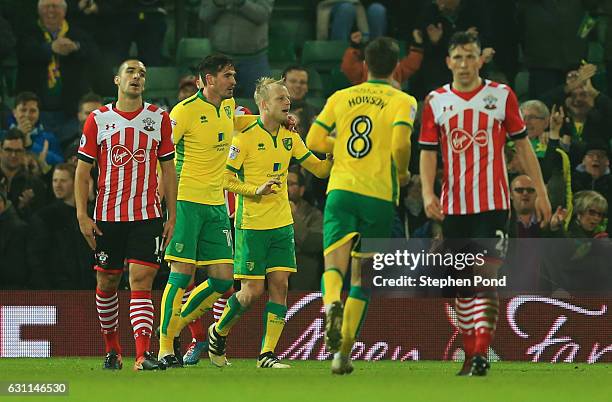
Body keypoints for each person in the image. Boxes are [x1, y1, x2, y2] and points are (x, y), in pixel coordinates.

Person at [418, 31, 551, 376]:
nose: (464, 64)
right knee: (460, 283)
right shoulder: (436, 101)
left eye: (470, 56)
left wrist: (542, 192)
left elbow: (523, 147)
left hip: (492, 203)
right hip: (454, 207)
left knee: (485, 275)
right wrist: (428, 194)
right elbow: (428, 153)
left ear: (481, 59)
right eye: (458, 58)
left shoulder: (500, 95)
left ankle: (480, 352)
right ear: (448, 62)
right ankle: (469, 350)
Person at [306, 36, 417, 374]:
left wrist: (339, 145)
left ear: (365, 66)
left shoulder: (341, 97)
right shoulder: (403, 100)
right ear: (397, 66)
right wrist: (402, 171)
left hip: (340, 191)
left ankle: (331, 305)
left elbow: (312, 140)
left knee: (333, 268)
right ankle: (343, 354)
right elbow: (400, 142)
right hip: (379, 196)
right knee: (363, 278)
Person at [206, 77, 332, 369]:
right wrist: (255, 190)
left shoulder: (289, 136)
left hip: (281, 224)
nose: (287, 102)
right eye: (280, 98)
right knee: (252, 292)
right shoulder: (245, 136)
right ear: (263, 105)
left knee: (280, 287)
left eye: (287, 97)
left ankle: (267, 354)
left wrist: (336, 155)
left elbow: (318, 168)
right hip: (251, 224)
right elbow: (225, 179)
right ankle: (218, 331)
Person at [75, 59, 177, 371]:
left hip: (146, 215)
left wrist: (171, 215)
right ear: (117, 79)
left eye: (142, 73)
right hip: (107, 215)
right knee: (107, 282)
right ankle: (113, 350)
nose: (136, 77)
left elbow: (169, 170)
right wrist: (82, 215)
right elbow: (82, 172)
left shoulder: (159, 118)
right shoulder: (98, 119)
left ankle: (144, 355)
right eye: (131, 72)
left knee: (141, 281)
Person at [156, 54, 241, 368]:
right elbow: (161, 155)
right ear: (207, 80)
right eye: (227, 75)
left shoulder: (230, 106)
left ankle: (174, 327)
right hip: (187, 202)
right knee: (181, 273)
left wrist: (281, 120)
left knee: (223, 279)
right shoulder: (184, 112)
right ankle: (166, 347)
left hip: (217, 203)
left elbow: (243, 122)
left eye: (233, 75)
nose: (233, 81)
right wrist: (163, 199)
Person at [16, 0, 94, 131]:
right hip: (36, 109)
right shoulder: (27, 31)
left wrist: (76, 47)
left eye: (55, 6)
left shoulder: (78, 33)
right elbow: (24, 52)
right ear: (39, 11)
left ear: (64, 11)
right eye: (46, 7)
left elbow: (93, 53)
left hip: (70, 109)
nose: (51, 10)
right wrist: (50, 48)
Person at [30, 163, 94, 289]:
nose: (57, 185)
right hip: (57, 290)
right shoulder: (45, 217)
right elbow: (37, 260)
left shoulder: (90, 215)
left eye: (63, 181)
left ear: (75, 182)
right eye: (55, 181)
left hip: (88, 288)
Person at [199, 0, 273, 98]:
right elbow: (204, 15)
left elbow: (263, 15)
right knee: (212, 100)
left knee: (263, 99)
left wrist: (242, 3)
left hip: (254, 59)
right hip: (220, 58)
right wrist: (217, 4)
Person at [4, 92, 64, 169]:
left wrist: (31, 146)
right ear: (14, 112)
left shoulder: (49, 138)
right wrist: (18, 135)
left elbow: (60, 163)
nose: (27, 115)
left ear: (39, 113)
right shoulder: (3, 135)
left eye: (32, 111)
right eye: (23, 110)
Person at [287, 166, 324, 290]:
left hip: (302, 275)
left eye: (291, 184)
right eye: (283, 184)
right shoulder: (269, 211)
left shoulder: (314, 215)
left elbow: (312, 244)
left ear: (302, 190)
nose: (286, 188)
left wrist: (293, 217)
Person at [0, 129, 48, 221]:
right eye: (8, 150)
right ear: (0, 150)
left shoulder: (35, 184)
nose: (13, 155)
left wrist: (26, 208)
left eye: (18, 151)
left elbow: (40, 221)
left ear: (24, 152)